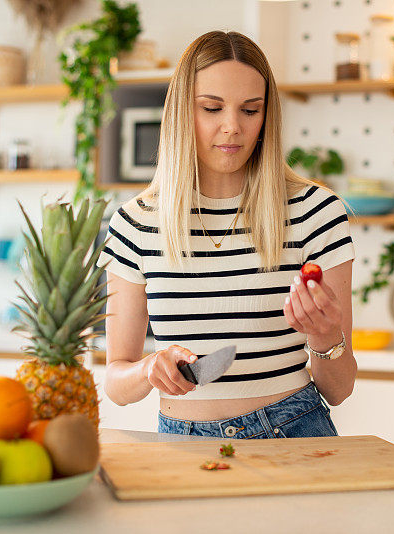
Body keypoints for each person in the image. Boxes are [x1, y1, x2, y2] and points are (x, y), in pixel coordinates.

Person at [98, 30, 356, 439]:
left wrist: (325, 335)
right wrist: (150, 368)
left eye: (250, 110)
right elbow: (116, 383)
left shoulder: (315, 213)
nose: (232, 127)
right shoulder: (136, 224)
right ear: (183, 111)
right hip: (182, 445)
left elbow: (339, 390)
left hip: (293, 432)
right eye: (212, 108)